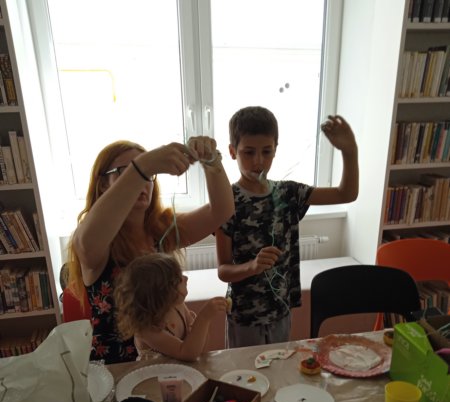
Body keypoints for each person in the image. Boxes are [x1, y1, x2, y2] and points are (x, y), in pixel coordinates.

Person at [67, 136, 234, 363]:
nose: (143, 181)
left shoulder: (160, 231)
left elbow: (222, 210)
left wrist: (212, 160)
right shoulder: (98, 242)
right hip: (118, 372)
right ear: (103, 184)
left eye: (148, 176)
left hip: (167, 367)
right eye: (125, 171)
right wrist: (143, 166)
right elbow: (86, 242)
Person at [216, 106, 359, 348]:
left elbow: (346, 193)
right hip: (244, 317)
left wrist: (350, 152)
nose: (258, 161)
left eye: (266, 152)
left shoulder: (289, 193)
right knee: (244, 370)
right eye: (248, 152)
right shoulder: (226, 202)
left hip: (280, 313)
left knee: (279, 366)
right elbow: (223, 270)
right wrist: (252, 266)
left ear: (275, 150)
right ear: (232, 151)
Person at [114, 253, 228, 361]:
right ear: (163, 293)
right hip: (156, 374)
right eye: (179, 279)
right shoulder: (146, 329)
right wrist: (203, 318)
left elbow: (200, 349)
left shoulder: (178, 306)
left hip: (180, 372)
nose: (186, 278)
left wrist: (199, 326)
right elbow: (187, 353)